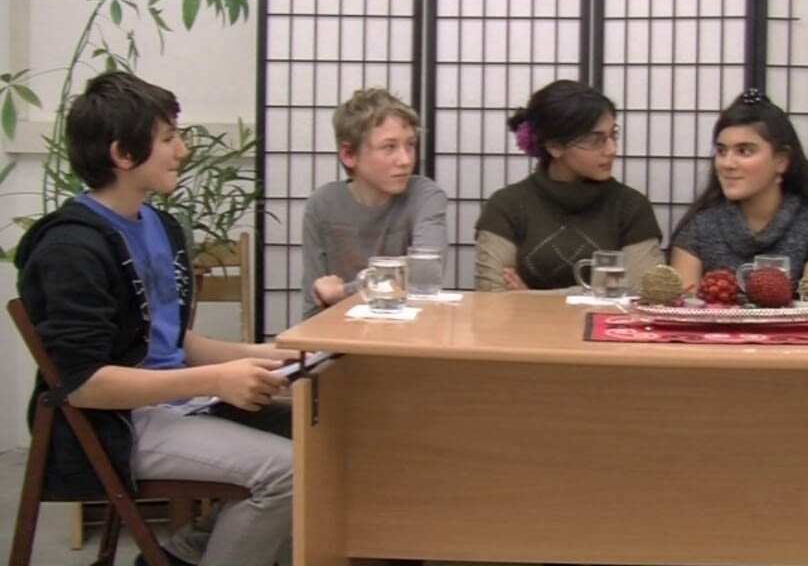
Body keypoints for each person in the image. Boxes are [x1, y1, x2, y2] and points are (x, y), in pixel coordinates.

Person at [15, 72, 292, 566]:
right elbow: (83, 384)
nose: (182, 150)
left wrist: (273, 355)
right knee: (287, 473)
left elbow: (171, 341)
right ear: (123, 154)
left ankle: (179, 555)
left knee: (320, 439)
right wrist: (216, 380)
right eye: (168, 138)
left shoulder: (160, 226)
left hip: (177, 405)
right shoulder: (70, 247)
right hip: (115, 425)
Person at [474, 79, 663, 291]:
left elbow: (642, 294)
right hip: (524, 320)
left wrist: (530, 297)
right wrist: (599, 292)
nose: (612, 150)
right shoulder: (507, 206)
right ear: (555, 146)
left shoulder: (630, 206)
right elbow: (492, 297)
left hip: (605, 319)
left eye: (613, 135)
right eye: (595, 140)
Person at [669, 89, 808, 289]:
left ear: (782, 160)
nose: (727, 163)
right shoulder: (697, 229)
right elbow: (684, 305)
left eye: (744, 151)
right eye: (721, 151)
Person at [302, 88, 448, 318]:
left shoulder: (424, 195)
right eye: (389, 147)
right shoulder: (323, 204)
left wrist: (342, 292)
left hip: (412, 329)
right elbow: (314, 303)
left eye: (410, 144)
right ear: (349, 154)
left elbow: (426, 272)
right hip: (340, 331)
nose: (405, 160)